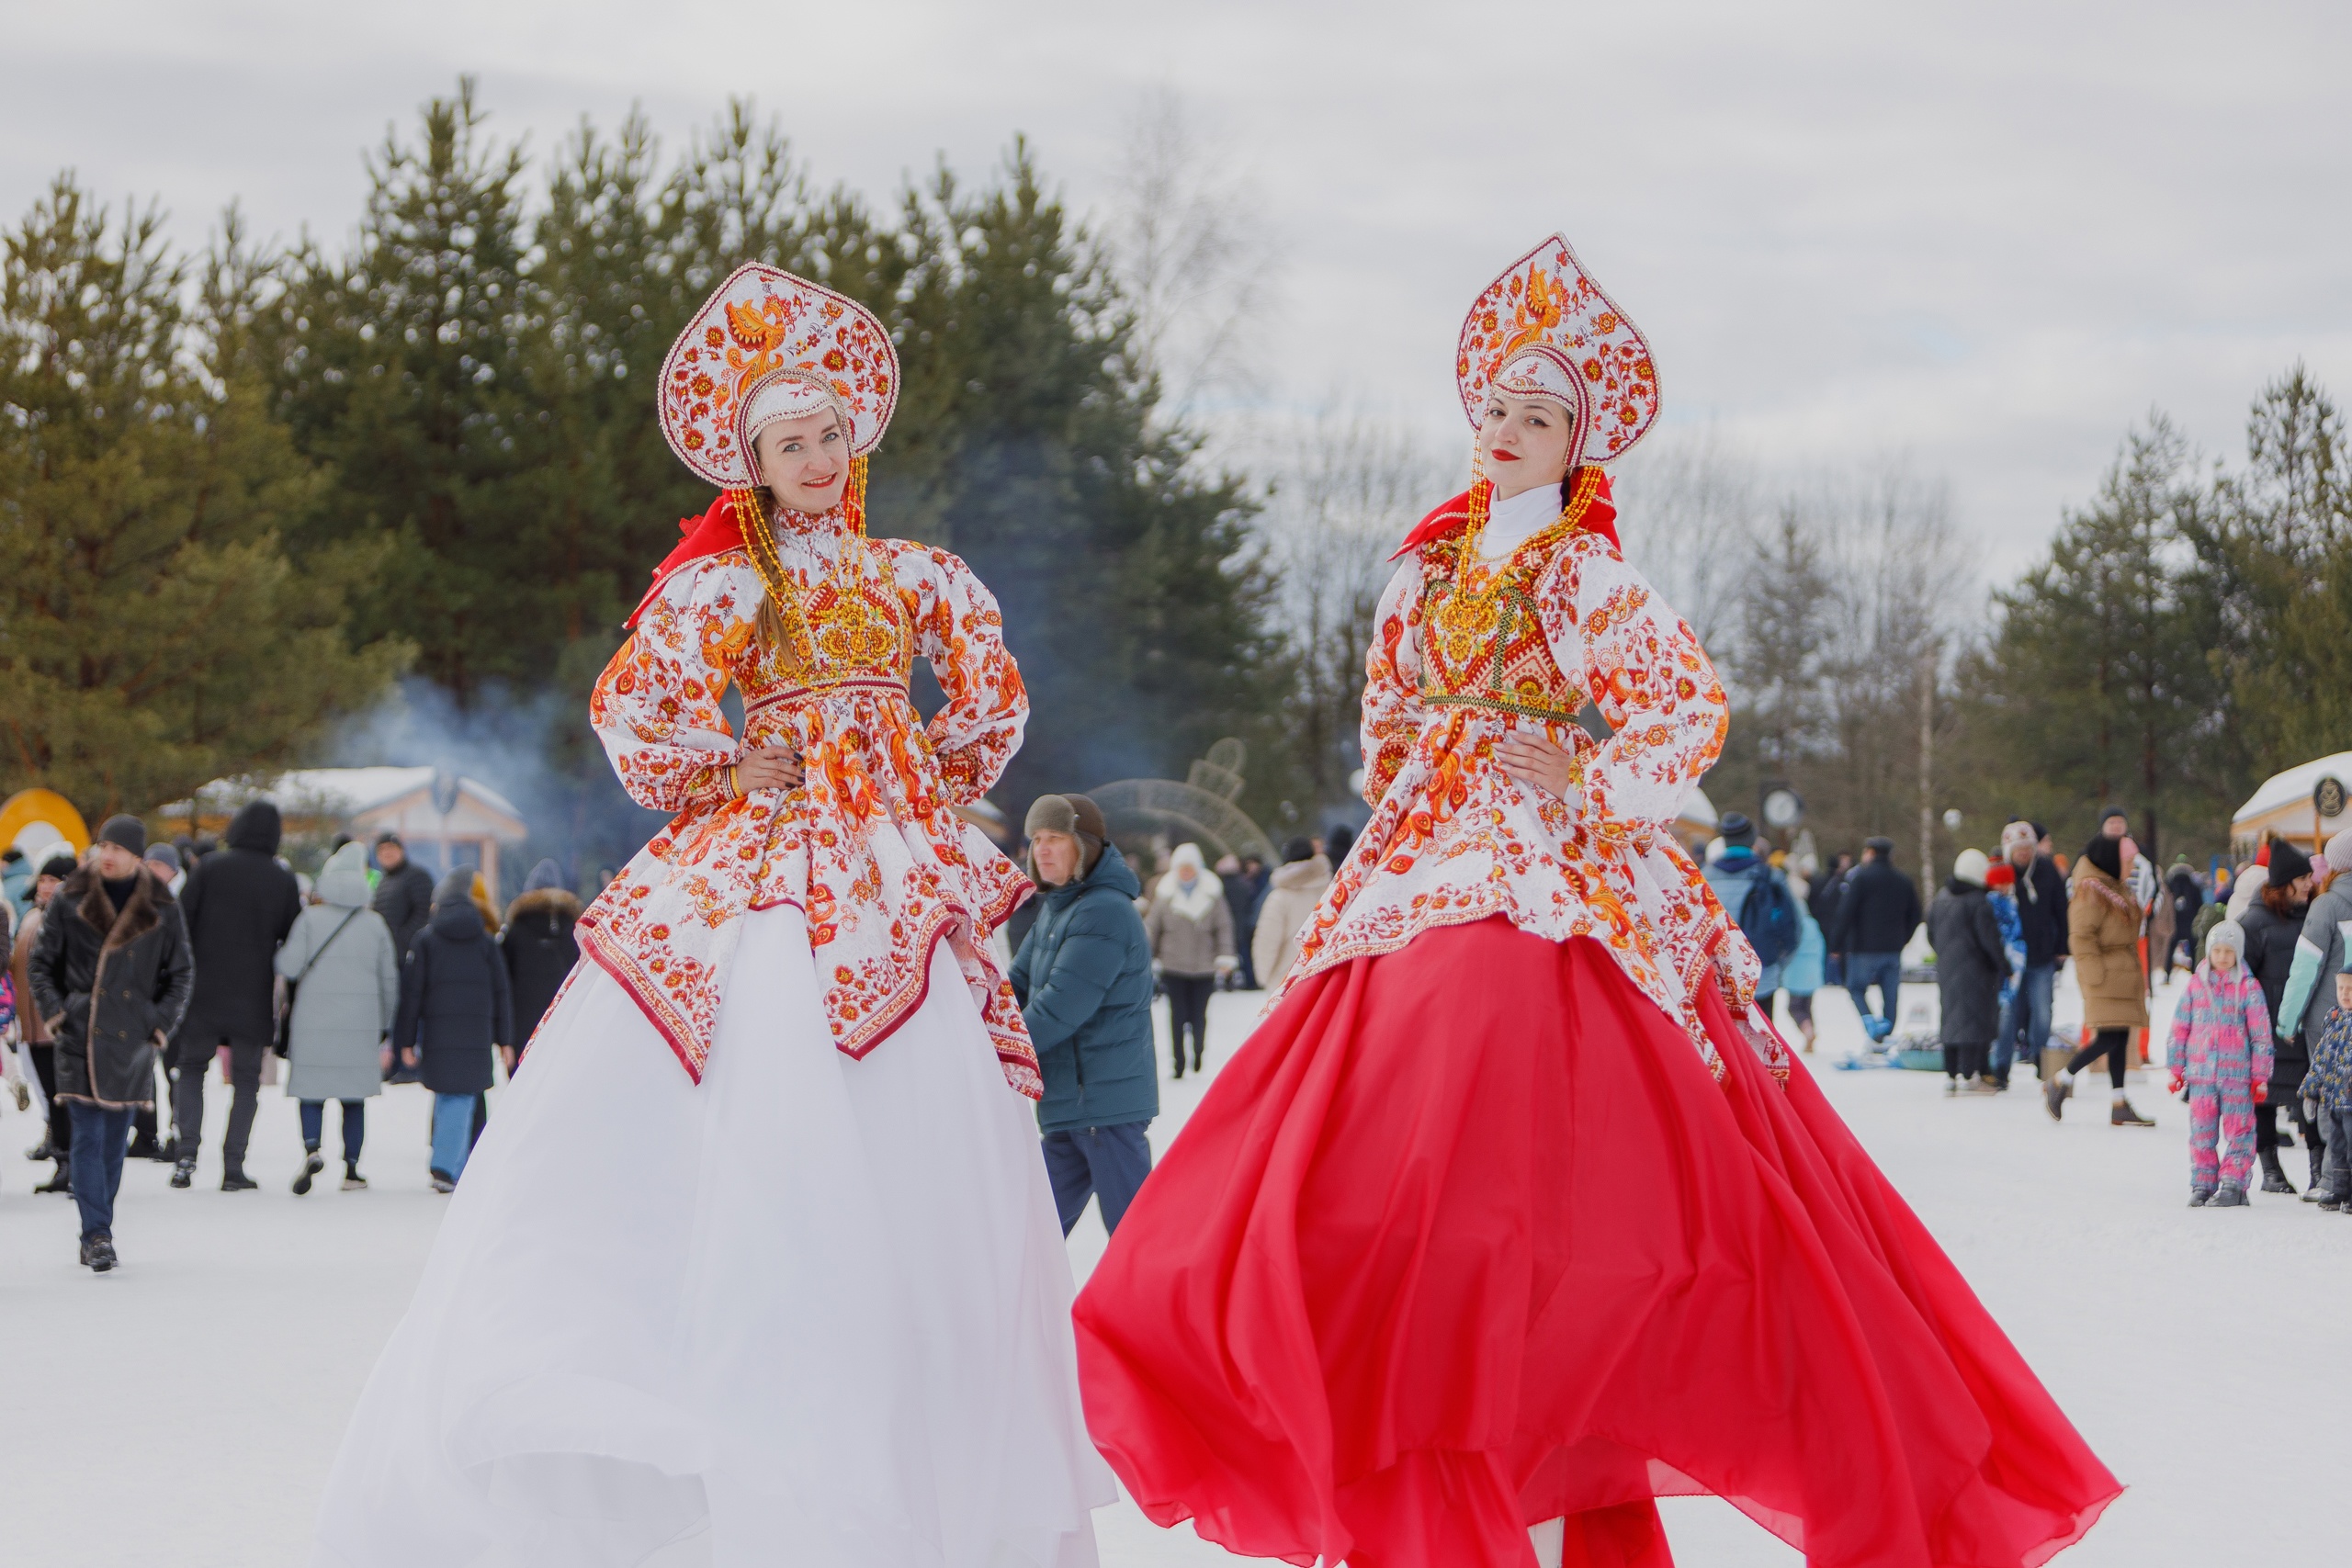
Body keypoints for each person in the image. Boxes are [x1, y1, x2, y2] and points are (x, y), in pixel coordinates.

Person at [1071, 233, 2117, 1568]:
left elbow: (1689, 705)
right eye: (1497, 407)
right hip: (1425, 855)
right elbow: (1386, 720)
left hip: (1542, 852)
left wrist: (1582, 772)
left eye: (1542, 415)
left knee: (1543, 1146)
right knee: (1345, 1133)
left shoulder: (1583, 574)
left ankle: (1510, 1405)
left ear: (1581, 446)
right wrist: (1410, 805)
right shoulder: (1423, 571)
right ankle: (1332, 1368)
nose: (1509, 428)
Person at [314, 262, 1109, 1564]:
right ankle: (748, 1371)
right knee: (768, 1056)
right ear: (750, 462)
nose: (812, 453)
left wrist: (930, 782)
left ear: (856, 438)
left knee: (928, 1102)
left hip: (891, 859)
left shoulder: (917, 573)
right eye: (786, 440)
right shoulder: (730, 582)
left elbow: (988, 699)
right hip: (776, 850)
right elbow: (636, 701)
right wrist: (730, 766)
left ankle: (905, 1406)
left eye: (826, 433)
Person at [28, 816, 193, 1271]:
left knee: (113, 1143)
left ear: (138, 856)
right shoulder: (71, 897)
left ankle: (100, 1223)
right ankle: (96, 1234)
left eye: (118, 848)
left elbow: (180, 973)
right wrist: (60, 1014)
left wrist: (157, 1025)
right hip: (80, 1034)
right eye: (103, 845)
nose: (108, 854)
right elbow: (42, 964)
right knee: (87, 1136)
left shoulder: (162, 906)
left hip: (131, 1040)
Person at [1011, 793, 1157, 1235]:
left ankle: (1153, 1308)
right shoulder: (1058, 910)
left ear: (1085, 846)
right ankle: (1019, 1307)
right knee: (1035, 1236)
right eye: (1037, 839)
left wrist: (998, 1049)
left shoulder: (1104, 911)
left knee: (1136, 1241)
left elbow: (1060, 1005)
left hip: (1103, 1108)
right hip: (1070, 1107)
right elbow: (1013, 987)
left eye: (1056, 837)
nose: (1043, 849)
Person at [171, 799, 302, 1191]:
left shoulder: (209, 868)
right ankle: (233, 1166)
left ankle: (185, 1157)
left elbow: (181, 922)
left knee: (192, 1069)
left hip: (203, 990)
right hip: (253, 992)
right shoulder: (281, 878)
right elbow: (291, 936)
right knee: (246, 1080)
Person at [277, 841, 400, 1195]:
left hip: (312, 1021)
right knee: (354, 1097)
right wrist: (386, 1022)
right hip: (361, 1021)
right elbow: (388, 979)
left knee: (312, 1092)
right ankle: (351, 1170)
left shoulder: (309, 919)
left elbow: (287, 966)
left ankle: (313, 1149)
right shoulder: (375, 924)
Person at [393, 870, 514, 1192]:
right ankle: (455, 1166)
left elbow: (412, 995)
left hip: (438, 1032)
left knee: (452, 1095)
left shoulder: (426, 940)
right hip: (476, 1034)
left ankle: (446, 1167)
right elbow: (502, 992)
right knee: (464, 1095)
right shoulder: (487, 942)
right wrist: (505, 1039)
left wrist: (405, 1041)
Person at [2045, 832, 2155, 1126]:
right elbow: (2081, 937)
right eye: (2128, 862)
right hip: (2105, 975)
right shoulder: (2091, 891)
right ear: (2112, 860)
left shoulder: (2113, 887)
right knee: (2108, 1036)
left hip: (2120, 972)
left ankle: (2118, 1102)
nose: (2132, 869)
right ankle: (2060, 1080)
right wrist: (2095, 974)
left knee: (2117, 1037)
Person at [2165, 919, 2272, 1207]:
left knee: (2240, 1130)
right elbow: (2180, 1028)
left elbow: (2260, 1034)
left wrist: (2260, 1075)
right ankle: (2203, 1182)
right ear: (2209, 952)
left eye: (2229, 951)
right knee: (2202, 1132)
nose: (2223, 956)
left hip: (2237, 1076)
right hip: (2201, 1075)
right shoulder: (2196, 986)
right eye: (2218, 950)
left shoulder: (2248, 988)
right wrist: (2176, 1068)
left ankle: (2233, 1182)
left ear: (2238, 953)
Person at [2240, 838, 2317, 1195]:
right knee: (2264, 1100)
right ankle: (2270, 1170)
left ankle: (2320, 1169)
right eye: (2302, 879)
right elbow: (2239, 979)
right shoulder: (2253, 922)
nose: (2309, 884)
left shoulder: (2313, 915)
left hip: (2304, 1027)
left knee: (2310, 1098)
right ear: (2285, 883)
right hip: (2265, 1031)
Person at [13, 852, 78, 1191]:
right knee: (51, 1096)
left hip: (55, 1024)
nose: (46, 886)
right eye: (43, 880)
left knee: (63, 1096)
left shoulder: (68, 918)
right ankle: (62, 1160)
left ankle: (73, 1165)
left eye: (54, 880)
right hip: (32, 1026)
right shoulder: (32, 917)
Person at [1144, 841, 1236, 1078]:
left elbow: (1224, 927)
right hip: (1173, 966)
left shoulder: (1212, 895)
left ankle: (1198, 1052)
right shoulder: (1165, 896)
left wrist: (1225, 956)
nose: (1186, 872)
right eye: (1182, 867)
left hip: (1204, 966)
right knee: (1177, 1015)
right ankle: (1179, 1062)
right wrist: (1148, 956)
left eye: (1190, 867)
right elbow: (1152, 928)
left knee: (1198, 1015)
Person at [1992, 819, 2069, 1087]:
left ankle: (2039, 1057)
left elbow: (2061, 909)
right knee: (2007, 1015)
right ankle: (2000, 1068)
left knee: (2042, 1012)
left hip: (2041, 955)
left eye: (2028, 848)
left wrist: (2062, 947)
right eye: (2018, 849)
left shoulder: (2047, 870)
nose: (2023, 854)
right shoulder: (1999, 874)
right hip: (2010, 960)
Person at [1928, 849, 2009, 1094]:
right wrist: (2003, 965)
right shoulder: (1978, 902)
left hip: (1947, 968)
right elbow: (1989, 940)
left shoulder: (1940, 898)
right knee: (1977, 1020)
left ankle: (1952, 1072)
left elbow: (1931, 934)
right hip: (1978, 971)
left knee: (1952, 1018)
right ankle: (1973, 1072)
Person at [1826, 835, 1921, 1043]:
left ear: (1870, 853)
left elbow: (1846, 913)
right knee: (1890, 994)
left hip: (1863, 948)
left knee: (1856, 987)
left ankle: (1871, 1025)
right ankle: (1887, 1030)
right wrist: (1903, 938)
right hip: (1893, 948)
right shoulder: (1903, 881)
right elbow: (1915, 914)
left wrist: (1835, 944)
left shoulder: (1861, 879)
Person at [1701, 813, 1798, 1003]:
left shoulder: (1702, 877)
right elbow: (1793, 928)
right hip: (1762, 974)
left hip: (1716, 976)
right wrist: (1778, 964)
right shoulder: (1772, 877)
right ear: (1752, 839)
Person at [499, 858, 581, 1075]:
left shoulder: (516, 929)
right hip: (564, 1020)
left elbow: (503, 977)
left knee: (523, 1084)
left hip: (522, 1022)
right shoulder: (575, 929)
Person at [1250, 836, 1332, 993]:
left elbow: (1267, 940)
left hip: (1286, 979)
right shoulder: (1332, 891)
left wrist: (1263, 975)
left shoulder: (1280, 897)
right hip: (1325, 976)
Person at [1780, 857, 1827, 1052]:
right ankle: (1810, 1033)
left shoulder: (1792, 924)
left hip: (1796, 969)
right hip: (1812, 970)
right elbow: (1821, 945)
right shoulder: (1812, 923)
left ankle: (1807, 1031)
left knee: (1793, 1007)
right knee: (1807, 1006)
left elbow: (1787, 946)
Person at [369, 832, 435, 959]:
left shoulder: (417, 876)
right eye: (381, 849)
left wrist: (402, 942)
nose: (386, 853)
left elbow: (424, 913)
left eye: (390, 847)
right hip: (385, 953)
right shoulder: (383, 881)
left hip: (409, 956)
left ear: (401, 850)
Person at [1223, 852, 1268, 989]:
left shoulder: (1222, 885)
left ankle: (1231, 981)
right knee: (1245, 953)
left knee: (1232, 953)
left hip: (1233, 923)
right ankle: (1251, 980)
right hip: (1245, 923)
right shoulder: (1245, 884)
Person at [2164, 856, 2203, 979]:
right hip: (2190, 922)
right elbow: (2200, 905)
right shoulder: (2194, 886)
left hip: (2175, 923)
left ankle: (2167, 973)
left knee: (2170, 948)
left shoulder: (2169, 886)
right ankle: (2194, 973)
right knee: (2193, 948)